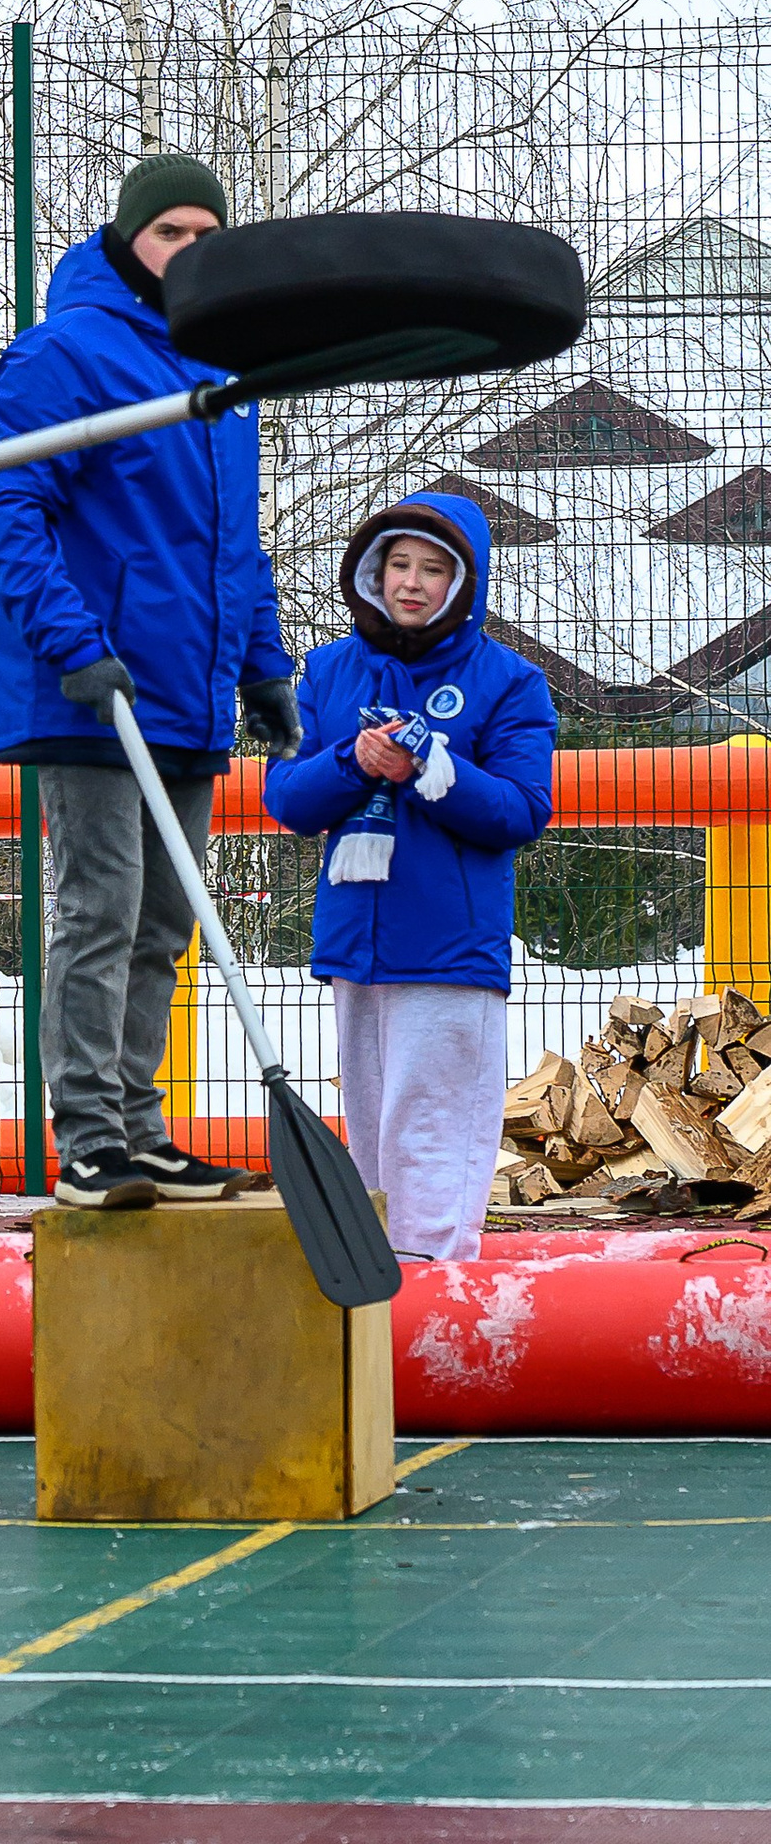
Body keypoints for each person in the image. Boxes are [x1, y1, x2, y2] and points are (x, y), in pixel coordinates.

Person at [0, 150, 299, 1209]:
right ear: (128, 239)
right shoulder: (63, 356)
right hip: (93, 689)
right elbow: (3, 511)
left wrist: (264, 666)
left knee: (164, 921)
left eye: (208, 236)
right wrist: (73, 645)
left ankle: (141, 1129)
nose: (188, 252)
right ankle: (88, 1140)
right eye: (171, 234)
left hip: (187, 689)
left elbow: (229, 546)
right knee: (100, 910)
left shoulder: (225, 371)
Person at [262, 491, 553, 1264]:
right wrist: (353, 761)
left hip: (451, 955)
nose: (412, 583)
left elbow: (521, 810)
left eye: (433, 569)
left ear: (466, 583)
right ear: (373, 572)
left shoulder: (510, 682)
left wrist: (435, 764)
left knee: (431, 1143)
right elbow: (286, 796)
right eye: (399, 564)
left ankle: (435, 1319)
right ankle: (381, 1322)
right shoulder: (326, 671)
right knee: (374, 1148)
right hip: (356, 947)